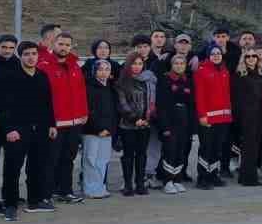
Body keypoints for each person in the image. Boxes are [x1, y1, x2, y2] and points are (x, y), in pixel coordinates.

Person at [0, 42, 57, 219]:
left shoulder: (42, 76)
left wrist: (51, 124)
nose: (31, 57)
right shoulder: (9, 77)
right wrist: (8, 129)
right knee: (13, 168)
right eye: (27, 54)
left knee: (37, 166)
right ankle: (10, 204)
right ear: (20, 56)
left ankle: (35, 200)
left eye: (34, 54)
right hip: (17, 130)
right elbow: (2, 106)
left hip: (41, 129)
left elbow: (48, 103)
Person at [39, 33, 89, 202]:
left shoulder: (75, 65)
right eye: (61, 44)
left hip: (75, 122)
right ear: (53, 44)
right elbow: (42, 97)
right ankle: (46, 193)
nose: (64, 48)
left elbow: (81, 91)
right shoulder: (44, 65)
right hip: (55, 123)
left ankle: (65, 190)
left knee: (68, 158)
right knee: (50, 159)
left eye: (68, 45)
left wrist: (84, 113)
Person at [115, 51, 155, 196]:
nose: (137, 67)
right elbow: (122, 104)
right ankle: (127, 184)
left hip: (145, 123)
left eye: (140, 64)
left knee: (142, 154)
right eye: (134, 64)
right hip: (128, 125)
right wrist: (134, 119)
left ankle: (140, 183)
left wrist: (147, 118)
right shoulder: (122, 82)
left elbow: (151, 101)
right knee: (128, 155)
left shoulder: (147, 81)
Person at [192, 44, 232, 189]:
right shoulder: (201, 71)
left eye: (219, 53)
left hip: (223, 118)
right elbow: (200, 96)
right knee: (206, 148)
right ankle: (202, 178)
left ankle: (213, 175)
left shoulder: (224, 71)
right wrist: (202, 116)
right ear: (209, 55)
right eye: (213, 53)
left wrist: (228, 114)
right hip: (208, 118)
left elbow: (227, 95)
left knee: (217, 148)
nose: (216, 55)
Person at [81, 59, 119, 199]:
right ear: (94, 71)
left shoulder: (110, 88)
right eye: (100, 69)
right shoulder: (89, 87)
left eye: (107, 69)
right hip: (92, 131)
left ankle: (100, 186)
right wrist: (98, 128)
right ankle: (90, 188)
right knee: (91, 159)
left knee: (103, 160)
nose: (104, 72)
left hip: (108, 131)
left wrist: (110, 129)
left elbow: (114, 111)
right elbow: (90, 111)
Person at [158, 53, 195, 193]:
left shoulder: (188, 80)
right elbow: (161, 105)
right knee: (170, 151)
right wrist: (165, 126)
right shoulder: (165, 80)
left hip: (184, 121)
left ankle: (177, 179)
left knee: (181, 151)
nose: (179, 66)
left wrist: (192, 125)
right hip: (170, 121)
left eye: (182, 64)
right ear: (172, 65)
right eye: (176, 63)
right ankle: (167, 181)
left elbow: (191, 104)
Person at [231, 45, 262, 186]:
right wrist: (241, 118)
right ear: (243, 59)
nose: (251, 58)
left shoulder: (260, 73)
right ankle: (247, 178)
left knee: (255, 147)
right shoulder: (240, 75)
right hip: (246, 117)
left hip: (260, 116)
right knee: (248, 147)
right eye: (248, 56)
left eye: (254, 56)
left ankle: (251, 176)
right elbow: (237, 99)